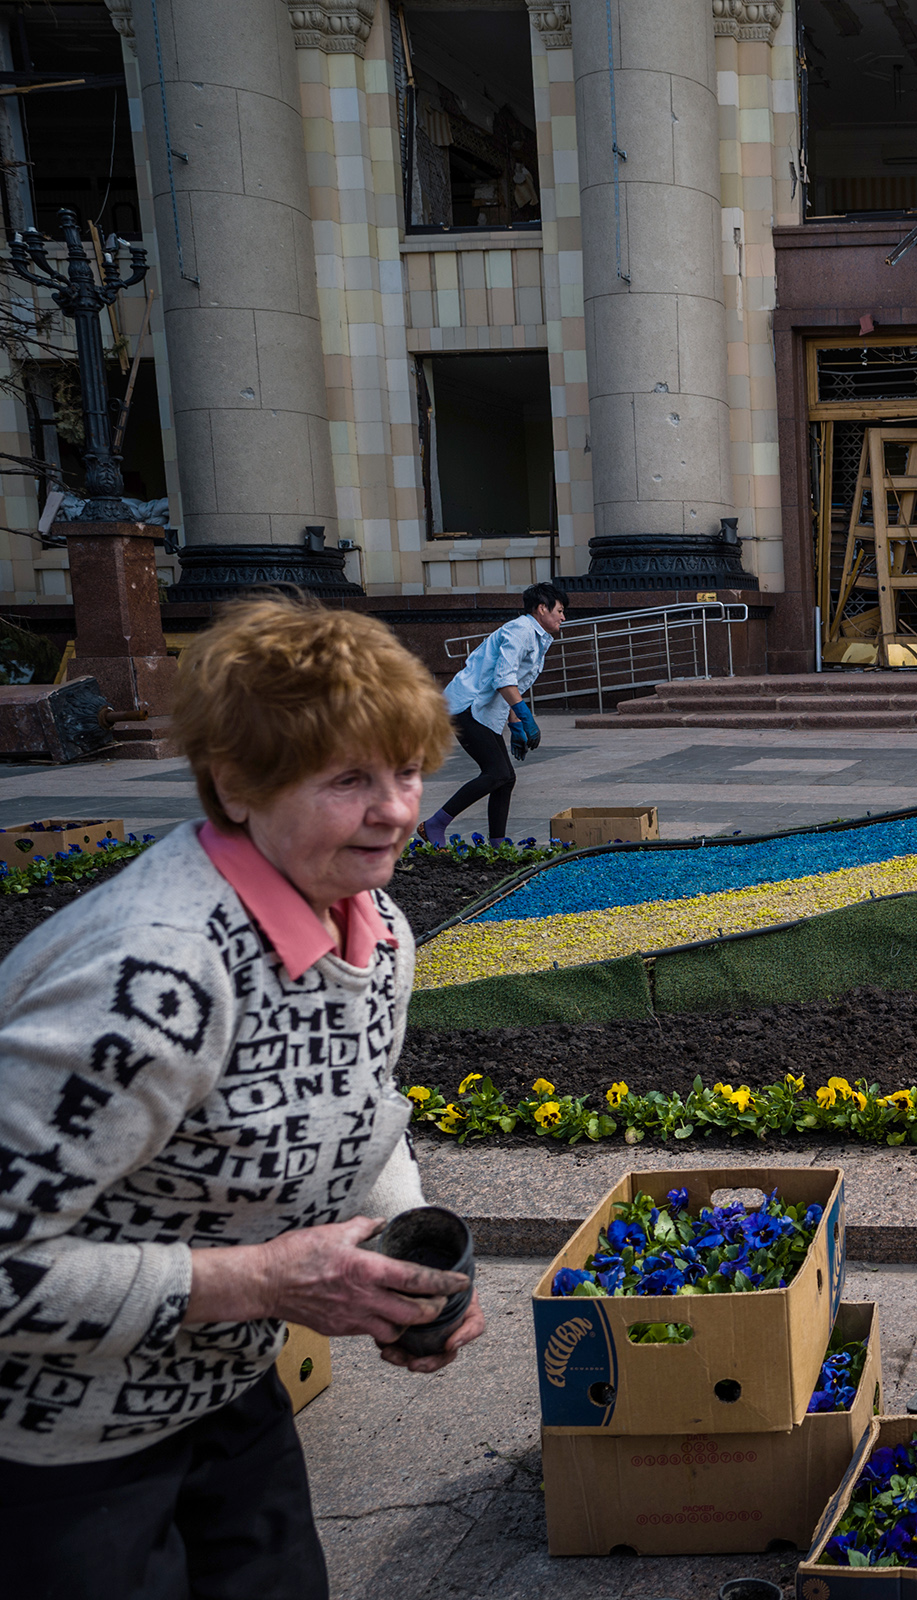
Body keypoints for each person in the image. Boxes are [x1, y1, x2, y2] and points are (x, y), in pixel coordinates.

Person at [0, 598, 485, 1598]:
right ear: (235, 782)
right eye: (349, 778)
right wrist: (264, 1282)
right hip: (54, 1456)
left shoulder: (373, 923)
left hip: (224, 1395)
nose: (397, 807)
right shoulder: (149, 978)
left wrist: (403, 1258)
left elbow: (364, 1102)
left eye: (406, 766)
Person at [420, 580, 568, 847]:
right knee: (497, 773)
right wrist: (525, 718)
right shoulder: (521, 629)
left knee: (506, 777)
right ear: (541, 608)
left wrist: (515, 726)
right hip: (465, 706)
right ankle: (434, 824)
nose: (563, 616)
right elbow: (504, 679)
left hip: (482, 710)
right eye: (559, 610)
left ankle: (498, 844)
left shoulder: (536, 636)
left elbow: (511, 686)